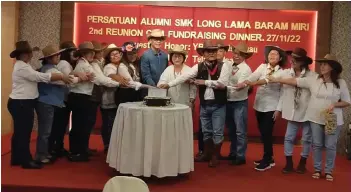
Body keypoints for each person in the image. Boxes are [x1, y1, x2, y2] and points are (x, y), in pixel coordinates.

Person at [269, 54, 350, 181]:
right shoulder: (314, 79)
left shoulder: (340, 82)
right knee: (317, 144)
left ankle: (328, 171)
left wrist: (334, 104)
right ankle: (317, 169)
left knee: (330, 145)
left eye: (325, 64)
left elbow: (347, 101)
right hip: (314, 118)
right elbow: (295, 81)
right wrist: (277, 79)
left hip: (332, 119)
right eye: (321, 64)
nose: (322, 67)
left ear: (332, 67)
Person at [158, 40, 231, 167]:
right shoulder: (199, 66)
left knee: (218, 132)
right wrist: (169, 84)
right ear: (204, 53)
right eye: (208, 51)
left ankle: (215, 156)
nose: (212, 53)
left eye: (214, 51)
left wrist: (204, 82)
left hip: (218, 104)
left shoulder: (225, 65)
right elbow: (183, 77)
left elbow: (222, 83)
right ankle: (207, 154)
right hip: (204, 104)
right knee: (207, 131)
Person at [8, 41, 71, 169]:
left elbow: (35, 74)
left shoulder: (23, 65)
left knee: (20, 132)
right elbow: (38, 77)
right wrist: (59, 76)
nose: (32, 55)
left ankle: (17, 158)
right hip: (22, 102)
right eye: (30, 52)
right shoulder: (22, 66)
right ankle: (26, 160)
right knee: (24, 133)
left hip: (20, 102)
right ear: (26, 54)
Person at [236, 45, 287, 171]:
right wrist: (246, 81)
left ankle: (267, 159)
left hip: (272, 107)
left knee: (267, 133)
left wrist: (278, 109)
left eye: (275, 54)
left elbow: (268, 81)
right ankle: (269, 158)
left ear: (280, 58)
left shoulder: (282, 72)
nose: (272, 56)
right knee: (263, 134)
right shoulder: (262, 67)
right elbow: (254, 76)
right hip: (259, 105)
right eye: (270, 54)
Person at [68, 41, 120, 162]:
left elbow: (94, 78)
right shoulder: (84, 64)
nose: (92, 54)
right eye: (89, 53)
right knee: (79, 125)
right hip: (80, 96)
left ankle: (80, 150)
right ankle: (77, 152)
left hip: (83, 96)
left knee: (82, 125)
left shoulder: (87, 63)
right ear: (83, 54)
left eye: (93, 52)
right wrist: (119, 83)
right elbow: (98, 79)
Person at [273, 48, 315, 174]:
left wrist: (277, 79)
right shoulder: (286, 73)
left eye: (296, 59)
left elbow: (297, 83)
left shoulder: (312, 76)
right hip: (292, 111)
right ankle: (289, 163)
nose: (292, 61)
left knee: (307, 139)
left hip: (307, 112)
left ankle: (302, 162)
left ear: (303, 62)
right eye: (292, 58)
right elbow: (282, 93)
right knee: (288, 138)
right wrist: (278, 109)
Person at [35, 45, 74, 164]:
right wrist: (74, 78)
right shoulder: (49, 69)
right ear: (49, 58)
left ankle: (45, 152)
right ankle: (41, 155)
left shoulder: (52, 68)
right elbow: (62, 80)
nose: (59, 56)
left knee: (47, 131)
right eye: (56, 55)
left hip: (49, 103)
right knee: (45, 131)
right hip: (46, 103)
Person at [49, 41, 83, 158]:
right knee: (59, 125)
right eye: (71, 51)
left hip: (62, 98)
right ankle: (56, 148)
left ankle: (58, 146)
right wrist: (82, 78)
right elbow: (69, 81)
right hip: (62, 98)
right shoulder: (64, 64)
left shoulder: (66, 63)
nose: (74, 53)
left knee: (60, 125)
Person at [222, 42, 253, 165]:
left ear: (244, 56)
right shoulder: (229, 65)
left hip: (239, 102)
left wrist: (222, 87)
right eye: (235, 53)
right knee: (231, 130)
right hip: (228, 101)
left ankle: (240, 156)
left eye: (239, 54)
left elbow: (238, 87)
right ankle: (233, 153)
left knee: (240, 131)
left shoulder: (246, 69)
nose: (236, 56)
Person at [100, 43, 129, 153]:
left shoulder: (122, 65)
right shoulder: (108, 66)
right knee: (109, 124)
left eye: (117, 53)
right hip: (108, 99)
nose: (115, 56)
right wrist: (122, 81)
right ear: (108, 57)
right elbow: (112, 75)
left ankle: (114, 146)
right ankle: (107, 146)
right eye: (112, 54)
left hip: (118, 99)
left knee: (115, 124)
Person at [140, 29, 168, 95]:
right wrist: (154, 86)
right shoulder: (146, 55)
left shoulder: (164, 55)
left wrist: (163, 85)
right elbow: (146, 75)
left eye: (160, 39)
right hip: (149, 89)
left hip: (162, 88)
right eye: (155, 39)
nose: (158, 41)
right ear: (150, 41)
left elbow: (166, 72)